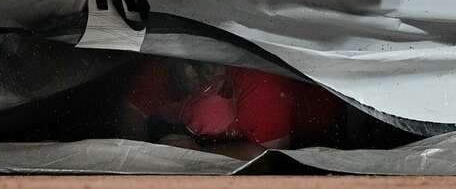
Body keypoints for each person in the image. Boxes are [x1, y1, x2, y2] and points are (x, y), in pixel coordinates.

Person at [124, 59, 344, 160]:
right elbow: (130, 113)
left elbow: (268, 158)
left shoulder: (260, 85)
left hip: (320, 123)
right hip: (215, 138)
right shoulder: (161, 71)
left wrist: (192, 154)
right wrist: (144, 155)